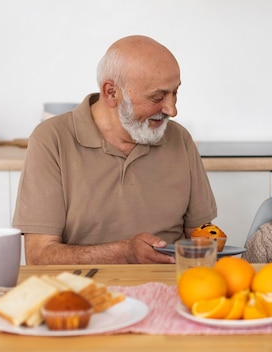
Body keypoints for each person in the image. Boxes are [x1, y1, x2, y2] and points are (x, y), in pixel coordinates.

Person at [13, 35, 217, 265]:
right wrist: (122, 252)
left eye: (175, 92)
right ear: (111, 93)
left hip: (171, 287)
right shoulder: (51, 139)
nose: (172, 109)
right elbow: (39, 256)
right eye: (157, 97)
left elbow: (202, 237)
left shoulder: (179, 139)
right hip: (82, 292)